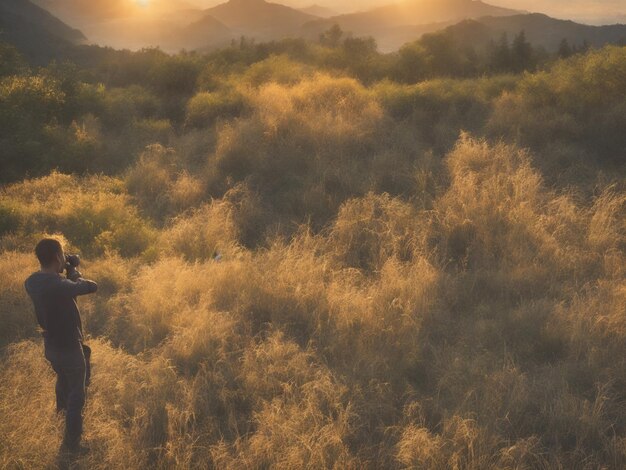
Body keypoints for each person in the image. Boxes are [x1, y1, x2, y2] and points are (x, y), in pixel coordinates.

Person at [24, 238, 97, 455]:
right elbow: (90, 286)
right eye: (63, 254)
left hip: (51, 347)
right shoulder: (60, 284)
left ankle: (59, 416)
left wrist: (64, 269)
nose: (65, 257)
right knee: (77, 395)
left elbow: (64, 291)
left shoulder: (31, 282)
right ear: (57, 257)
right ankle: (72, 446)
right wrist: (73, 268)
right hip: (69, 347)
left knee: (63, 380)